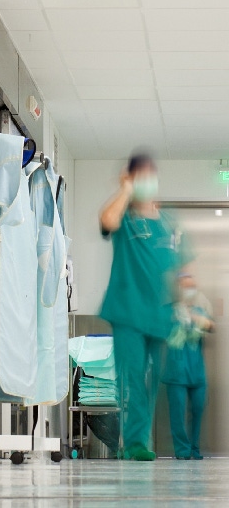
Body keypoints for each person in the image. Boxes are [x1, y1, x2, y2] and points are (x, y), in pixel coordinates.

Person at [99, 153, 192, 461]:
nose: (148, 181)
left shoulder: (168, 222)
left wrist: (183, 307)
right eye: (141, 176)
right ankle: (135, 442)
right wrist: (125, 191)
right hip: (128, 312)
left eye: (151, 175)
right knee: (133, 377)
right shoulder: (124, 216)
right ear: (130, 179)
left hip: (161, 316)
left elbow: (180, 269)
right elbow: (106, 221)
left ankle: (137, 440)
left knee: (152, 383)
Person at [162, 274, 214, 460]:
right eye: (185, 286)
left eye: (192, 286)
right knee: (178, 414)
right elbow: (159, 328)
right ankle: (182, 451)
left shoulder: (200, 310)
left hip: (197, 373)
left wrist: (195, 317)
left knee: (198, 409)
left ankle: (195, 448)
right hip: (176, 372)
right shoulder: (168, 311)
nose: (189, 290)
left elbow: (210, 325)